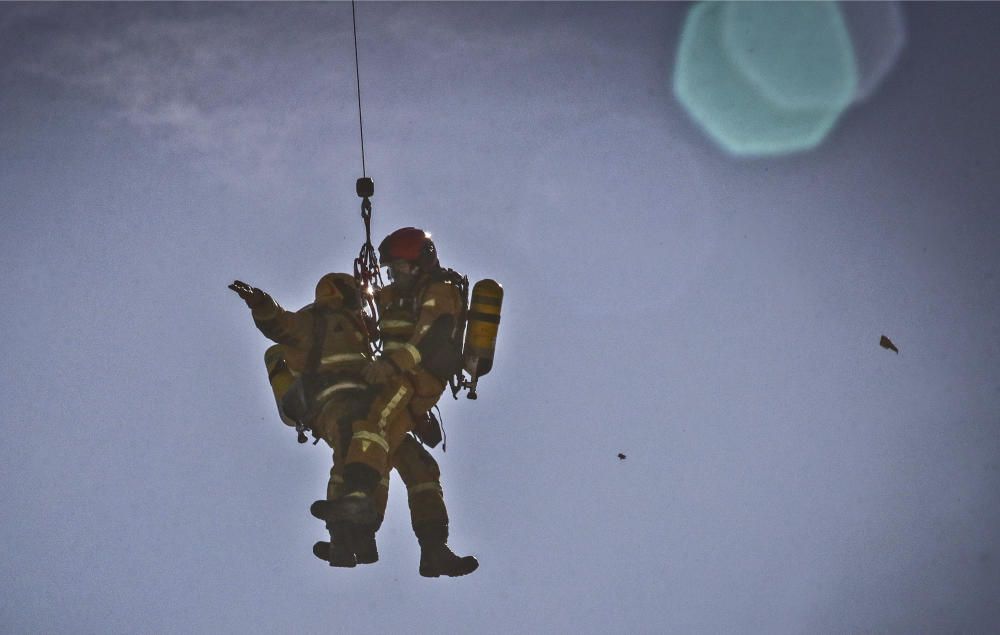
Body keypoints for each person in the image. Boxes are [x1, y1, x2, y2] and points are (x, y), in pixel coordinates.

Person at [230, 271, 476, 577]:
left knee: (419, 465)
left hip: (364, 401)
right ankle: (347, 533)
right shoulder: (316, 320)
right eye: (354, 292)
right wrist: (260, 303)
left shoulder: (360, 332)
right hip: (334, 402)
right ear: (338, 291)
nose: (361, 300)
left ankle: (433, 549)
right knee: (355, 445)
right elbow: (281, 325)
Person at [358, 226, 479, 577]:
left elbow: (428, 336)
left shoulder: (439, 292)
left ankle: (359, 532)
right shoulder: (402, 293)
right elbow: (368, 301)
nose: (397, 277)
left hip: (412, 382)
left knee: (381, 449)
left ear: (422, 262)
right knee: (414, 465)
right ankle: (427, 549)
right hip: (399, 387)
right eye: (392, 271)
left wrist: (390, 365)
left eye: (401, 269)